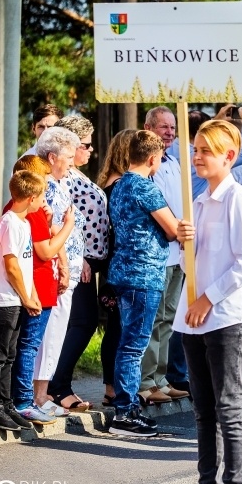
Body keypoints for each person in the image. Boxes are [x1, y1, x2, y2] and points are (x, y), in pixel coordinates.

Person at [172, 120, 242, 484]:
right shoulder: (196, 202)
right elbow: (189, 266)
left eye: (206, 151)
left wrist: (207, 299)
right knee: (204, 410)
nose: (197, 157)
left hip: (227, 317)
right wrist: (184, 245)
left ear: (229, 156)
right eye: (195, 150)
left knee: (229, 406)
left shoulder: (239, 199)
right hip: (194, 318)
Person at [107, 130, 179, 436]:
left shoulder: (120, 184)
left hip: (123, 270)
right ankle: (125, 411)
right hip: (143, 272)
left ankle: (127, 406)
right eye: (160, 158)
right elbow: (172, 229)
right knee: (134, 345)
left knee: (129, 342)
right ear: (152, 158)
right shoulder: (146, 187)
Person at [48, 115, 109, 411]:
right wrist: (80, 256)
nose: (90, 150)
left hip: (86, 260)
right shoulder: (65, 177)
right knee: (82, 323)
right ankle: (57, 386)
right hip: (75, 261)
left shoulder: (76, 174)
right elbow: (65, 219)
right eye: (85, 144)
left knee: (80, 322)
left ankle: (56, 385)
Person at [10, 156, 74, 425]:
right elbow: (45, 250)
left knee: (26, 345)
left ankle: (23, 399)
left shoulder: (35, 211)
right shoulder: (30, 211)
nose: (47, 184)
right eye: (44, 179)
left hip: (40, 285)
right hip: (37, 286)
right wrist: (68, 225)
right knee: (29, 345)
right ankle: (24, 401)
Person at [0, 171, 46, 431]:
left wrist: (32, 294)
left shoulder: (24, 223)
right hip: (4, 299)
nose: (43, 202)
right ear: (31, 198)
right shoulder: (9, 223)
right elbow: (12, 266)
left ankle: (6, 403)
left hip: (16, 298)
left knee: (10, 354)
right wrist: (26, 297)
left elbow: (25, 266)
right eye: (41, 197)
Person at [33, 127, 87, 417]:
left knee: (55, 333)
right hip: (56, 271)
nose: (72, 160)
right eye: (68, 155)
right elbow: (51, 229)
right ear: (52, 157)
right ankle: (39, 395)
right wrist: (64, 267)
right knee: (50, 334)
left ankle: (43, 393)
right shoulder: (49, 186)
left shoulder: (59, 182)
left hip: (67, 270)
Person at [140, 107, 190, 405]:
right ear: (148, 128)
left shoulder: (173, 161)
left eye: (172, 127)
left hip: (178, 252)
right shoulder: (149, 166)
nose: (170, 132)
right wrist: (176, 229)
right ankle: (146, 381)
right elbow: (160, 207)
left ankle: (160, 378)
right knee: (155, 317)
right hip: (161, 249)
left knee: (168, 318)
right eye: (164, 127)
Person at [96, 129, 136, 406]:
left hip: (113, 262)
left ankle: (113, 386)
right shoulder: (119, 185)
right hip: (117, 263)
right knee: (118, 328)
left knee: (117, 326)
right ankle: (112, 387)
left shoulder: (109, 182)